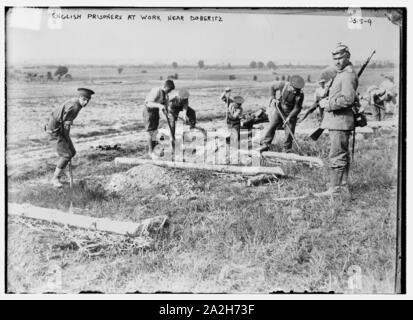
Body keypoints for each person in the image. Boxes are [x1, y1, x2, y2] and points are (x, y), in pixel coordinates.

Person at [318, 43, 358, 196]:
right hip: (338, 121)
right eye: (335, 58)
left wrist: (328, 104)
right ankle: (342, 186)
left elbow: (348, 99)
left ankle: (334, 189)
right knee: (341, 154)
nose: (337, 61)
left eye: (340, 58)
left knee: (337, 155)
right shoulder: (342, 73)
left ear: (348, 56)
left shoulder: (347, 75)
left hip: (340, 121)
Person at [45, 88, 95, 188]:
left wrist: (67, 139)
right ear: (79, 97)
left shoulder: (76, 103)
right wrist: (67, 139)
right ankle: (55, 178)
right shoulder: (74, 107)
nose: (85, 102)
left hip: (59, 128)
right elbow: (65, 127)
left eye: (87, 101)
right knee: (66, 156)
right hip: (55, 131)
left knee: (72, 152)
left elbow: (64, 122)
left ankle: (62, 172)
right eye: (84, 99)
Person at [260, 75, 305, 153]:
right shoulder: (283, 84)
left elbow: (297, 108)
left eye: (297, 90)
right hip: (279, 108)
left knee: (289, 131)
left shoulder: (300, 94)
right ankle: (265, 144)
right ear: (290, 85)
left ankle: (287, 149)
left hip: (291, 112)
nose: (295, 91)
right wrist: (273, 98)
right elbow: (272, 87)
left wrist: (289, 117)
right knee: (272, 126)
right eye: (294, 89)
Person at [143, 79, 175, 157]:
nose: (169, 91)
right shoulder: (156, 91)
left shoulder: (166, 95)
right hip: (149, 110)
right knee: (150, 131)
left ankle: (154, 150)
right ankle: (150, 152)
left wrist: (169, 113)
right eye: (169, 89)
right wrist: (160, 106)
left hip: (155, 111)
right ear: (165, 86)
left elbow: (166, 106)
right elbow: (149, 103)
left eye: (170, 90)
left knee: (155, 131)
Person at [220, 88, 244, 162]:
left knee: (236, 139)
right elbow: (222, 98)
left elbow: (234, 116)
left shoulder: (240, 109)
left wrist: (230, 111)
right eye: (237, 104)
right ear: (234, 102)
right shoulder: (230, 102)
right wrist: (225, 92)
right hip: (229, 123)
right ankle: (227, 157)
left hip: (236, 124)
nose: (237, 105)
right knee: (228, 138)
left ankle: (237, 156)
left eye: (239, 104)